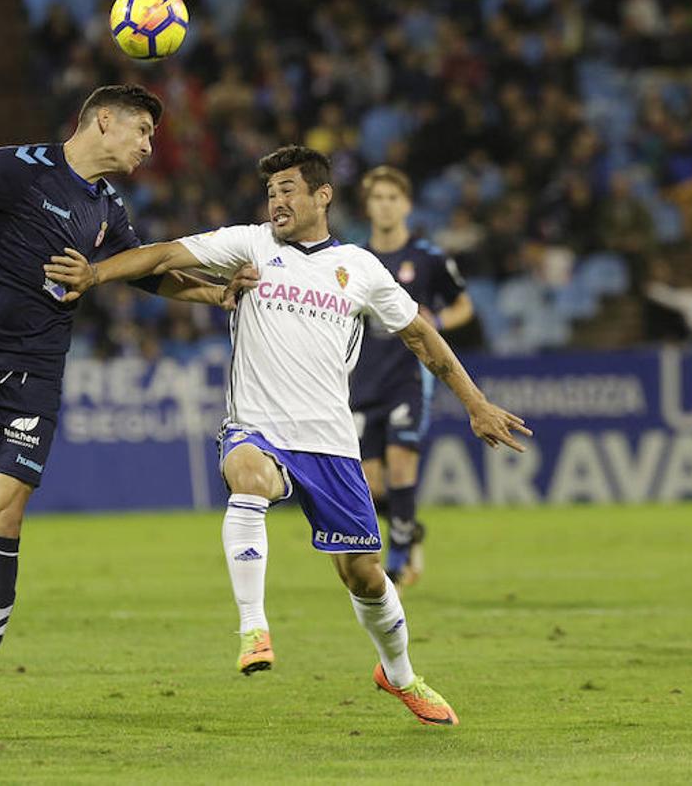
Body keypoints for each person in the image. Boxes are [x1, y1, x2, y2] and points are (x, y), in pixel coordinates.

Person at [44, 145, 531, 726]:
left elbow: (422, 336)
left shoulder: (360, 268)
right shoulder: (250, 245)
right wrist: (96, 274)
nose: (276, 201)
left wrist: (476, 405)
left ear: (322, 196)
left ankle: (398, 675)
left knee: (365, 574)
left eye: (288, 191)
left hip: (329, 440)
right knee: (247, 478)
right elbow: (165, 254)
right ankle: (254, 628)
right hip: (257, 426)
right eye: (270, 192)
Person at [0, 84, 254, 741]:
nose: (147, 146)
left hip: (35, 376)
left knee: (4, 512)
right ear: (102, 122)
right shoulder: (15, 168)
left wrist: (219, 292)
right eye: (141, 131)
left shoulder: (108, 208)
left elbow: (147, 273)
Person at [348, 165, 473, 588]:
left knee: (402, 465)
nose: (384, 205)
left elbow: (464, 306)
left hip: (409, 377)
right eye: (377, 198)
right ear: (367, 206)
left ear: (406, 205)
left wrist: (436, 318)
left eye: (392, 198)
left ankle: (398, 557)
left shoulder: (428, 258)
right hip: (362, 379)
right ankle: (408, 527)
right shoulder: (353, 260)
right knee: (371, 483)